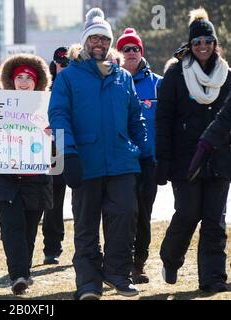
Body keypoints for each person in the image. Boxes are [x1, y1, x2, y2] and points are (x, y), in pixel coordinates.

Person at [48, 8, 152, 300]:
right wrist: (68, 153)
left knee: (126, 215)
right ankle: (89, 282)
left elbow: (136, 120)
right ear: (85, 41)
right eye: (93, 38)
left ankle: (118, 274)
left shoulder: (123, 78)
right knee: (86, 225)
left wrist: (146, 156)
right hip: (85, 163)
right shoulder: (69, 77)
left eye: (104, 39)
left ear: (110, 43)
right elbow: (58, 115)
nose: (99, 43)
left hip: (122, 161)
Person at [155, 8, 231, 293]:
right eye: (197, 41)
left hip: (220, 158)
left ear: (215, 43)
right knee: (188, 213)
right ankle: (171, 258)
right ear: (190, 44)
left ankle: (212, 279)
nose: (203, 46)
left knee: (214, 220)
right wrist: (162, 160)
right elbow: (162, 119)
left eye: (208, 41)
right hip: (184, 158)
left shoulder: (227, 74)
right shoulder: (175, 75)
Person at [0, 53, 53, 295]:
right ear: (12, 81)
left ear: (37, 82)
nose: (24, 82)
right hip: (5, 180)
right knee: (11, 229)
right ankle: (19, 275)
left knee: (28, 231)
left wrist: (52, 134)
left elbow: (62, 137)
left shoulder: (49, 106)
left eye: (29, 77)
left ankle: (23, 270)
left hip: (36, 180)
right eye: (20, 77)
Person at [116, 28, 163, 284]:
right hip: (120, 161)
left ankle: (138, 264)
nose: (131, 52)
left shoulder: (158, 83)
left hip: (147, 161)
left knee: (143, 213)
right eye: (126, 49)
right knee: (122, 212)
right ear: (119, 54)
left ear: (141, 53)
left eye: (135, 48)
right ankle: (119, 263)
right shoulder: (113, 81)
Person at [42, 46, 69, 265]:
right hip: (54, 149)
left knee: (85, 201)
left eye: (68, 62)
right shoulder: (45, 90)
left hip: (80, 145)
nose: (63, 66)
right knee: (53, 199)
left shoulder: (81, 83)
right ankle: (52, 247)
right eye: (60, 62)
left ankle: (87, 246)